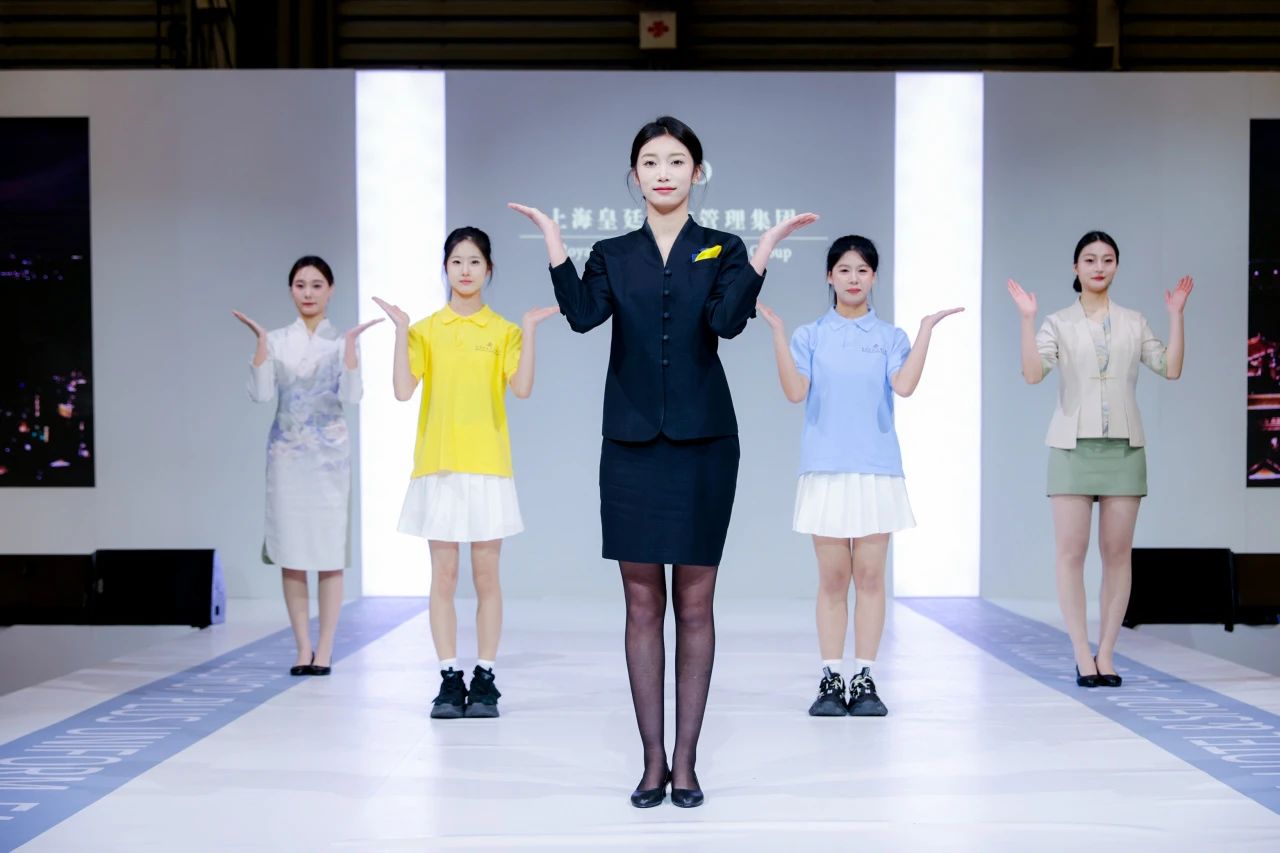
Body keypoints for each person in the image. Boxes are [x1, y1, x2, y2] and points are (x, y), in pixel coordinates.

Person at [510, 116, 816, 808]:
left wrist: (762, 254)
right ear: (635, 175)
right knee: (641, 602)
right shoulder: (613, 253)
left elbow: (726, 323)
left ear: (697, 172)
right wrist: (555, 245)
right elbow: (583, 316)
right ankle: (651, 762)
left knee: (696, 603)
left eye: (677, 161)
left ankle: (687, 763)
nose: (664, 172)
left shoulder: (722, 247)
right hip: (630, 445)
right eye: (650, 161)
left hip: (705, 443)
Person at [758, 234, 961, 718]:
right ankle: (831, 677)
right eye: (845, 270)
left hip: (876, 470)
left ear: (874, 277)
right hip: (825, 469)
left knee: (870, 578)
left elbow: (904, 386)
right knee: (833, 579)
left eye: (863, 270)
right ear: (829, 276)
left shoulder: (890, 337)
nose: (854, 278)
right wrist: (779, 336)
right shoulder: (810, 335)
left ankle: (865, 678)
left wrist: (925, 331)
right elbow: (795, 392)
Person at [374, 227, 557, 719]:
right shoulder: (426, 330)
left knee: (486, 576)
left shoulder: (503, 331)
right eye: (457, 261)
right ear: (446, 268)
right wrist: (400, 330)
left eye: (474, 261)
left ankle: (486, 677)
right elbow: (402, 389)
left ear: (488, 269)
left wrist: (529, 330)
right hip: (439, 467)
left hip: (488, 467)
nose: (465, 270)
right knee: (444, 576)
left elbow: (522, 388)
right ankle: (449, 678)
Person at [1007, 230, 1192, 687]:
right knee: (1071, 553)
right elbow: (1032, 373)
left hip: (1124, 449)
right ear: (1076, 267)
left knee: (1117, 554)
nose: (1099, 267)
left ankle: (1106, 653)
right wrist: (1027, 320)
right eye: (1089, 259)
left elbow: (1170, 368)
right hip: (1071, 448)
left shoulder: (1134, 321)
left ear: (1116, 267)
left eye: (1107, 259)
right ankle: (1080, 653)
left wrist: (1176, 316)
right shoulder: (1057, 322)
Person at [235, 255, 379, 676]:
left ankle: (326, 648)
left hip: (330, 460)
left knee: (330, 554)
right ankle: (302, 648)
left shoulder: (341, 341)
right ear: (291, 290)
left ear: (330, 290)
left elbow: (352, 397)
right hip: (287, 458)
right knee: (292, 554)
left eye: (317, 285)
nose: (308, 293)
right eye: (300, 285)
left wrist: (349, 354)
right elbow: (261, 395)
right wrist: (261, 346)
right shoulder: (278, 340)